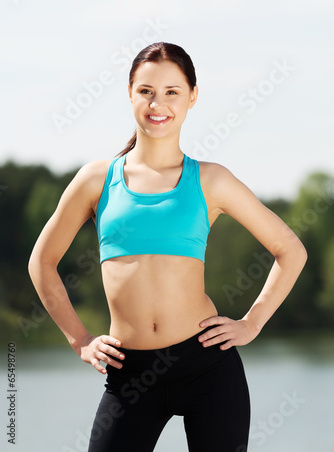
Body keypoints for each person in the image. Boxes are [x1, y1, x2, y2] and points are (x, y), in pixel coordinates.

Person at [28, 41, 307, 452]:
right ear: (130, 93)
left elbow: (290, 250)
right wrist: (81, 339)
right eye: (146, 91)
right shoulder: (96, 180)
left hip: (207, 366)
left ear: (192, 96)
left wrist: (251, 324)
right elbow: (42, 262)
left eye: (172, 91)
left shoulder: (212, 180)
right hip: (129, 375)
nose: (158, 103)